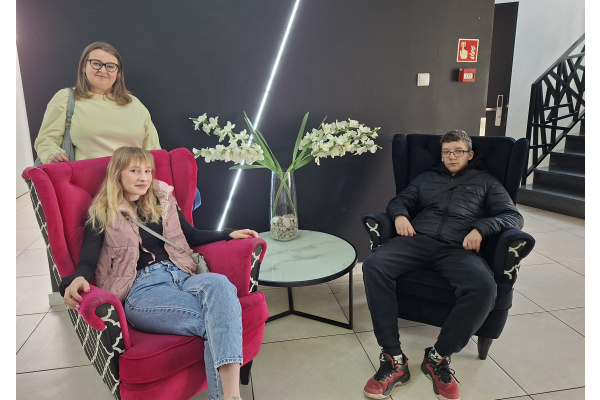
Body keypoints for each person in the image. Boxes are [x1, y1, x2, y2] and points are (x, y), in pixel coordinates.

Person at [59, 147, 256, 400]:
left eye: (147, 171)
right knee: (222, 316)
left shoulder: (162, 200)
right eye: (134, 171)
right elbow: (87, 261)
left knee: (220, 284)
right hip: (143, 290)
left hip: (182, 275)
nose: (143, 177)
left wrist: (227, 233)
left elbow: (191, 235)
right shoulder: (101, 212)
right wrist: (74, 280)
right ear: (117, 174)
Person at [362, 130, 524, 400]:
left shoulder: (487, 182)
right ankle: (393, 358)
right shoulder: (426, 178)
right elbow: (400, 200)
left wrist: (481, 229)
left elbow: (512, 216)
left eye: (458, 151)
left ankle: (438, 358)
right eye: (447, 152)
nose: (452, 156)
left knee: (484, 287)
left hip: (457, 248)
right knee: (373, 265)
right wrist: (400, 215)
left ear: (470, 154)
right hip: (417, 240)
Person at [34, 42, 161, 164]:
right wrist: (52, 154)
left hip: (133, 178)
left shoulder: (134, 104)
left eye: (110, 66)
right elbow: (46, 139)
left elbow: (154, 150)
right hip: (85, 178)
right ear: (84, 67)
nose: (103, 70)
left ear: (118, 73)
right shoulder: (66, 98)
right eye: (96, 63)